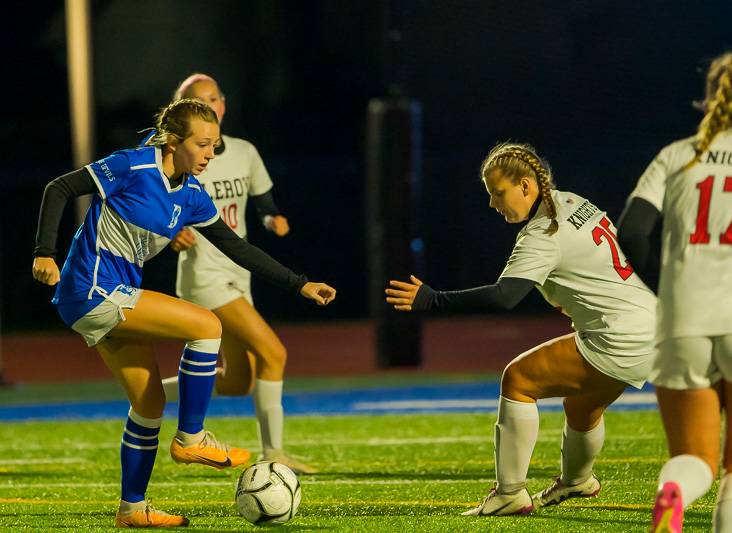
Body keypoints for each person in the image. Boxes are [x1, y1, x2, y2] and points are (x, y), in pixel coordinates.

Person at [32, 98, 335, 528]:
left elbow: (237, 247)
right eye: (203, 144)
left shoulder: (191, 195)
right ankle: (191, 436)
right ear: (174, 142)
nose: (211, 153)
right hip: (91, 289)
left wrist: (298, 282)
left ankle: (132, 509)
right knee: (206, 323)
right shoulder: (133, 166)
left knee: (150, 401)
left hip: (114, 295)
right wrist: (45, 252)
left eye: (214, 145)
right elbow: (58, 188)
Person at [385, 142, 657, 516]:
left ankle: (510, 493)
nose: (493, 204)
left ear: (526, 186)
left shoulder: (543, 232)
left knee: (518, 379)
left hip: (620, 335)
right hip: (652, 324)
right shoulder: (572, 202)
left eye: (499, 193)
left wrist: (433, 300)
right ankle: (577, 481)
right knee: (583, 403)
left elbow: (504, 297)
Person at [617, 51, 732, 532]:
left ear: (707, 103)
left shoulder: (677, 154)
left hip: (685, 320)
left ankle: (673, 491)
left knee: (694, 458)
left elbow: (632, 232)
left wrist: (668, 289)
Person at [158, 74, 314, 473]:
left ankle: (150, 392)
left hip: (237, 273)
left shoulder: (244, 151)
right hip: (204, 275)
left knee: (237, 381)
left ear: (223, 104)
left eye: (215, 98)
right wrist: (169, 229)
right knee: (273, 352)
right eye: (199, 100)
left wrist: (272, 217)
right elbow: (152, 204)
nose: (211, 106)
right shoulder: (178, 154)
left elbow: (263, 201)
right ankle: (274, 455)